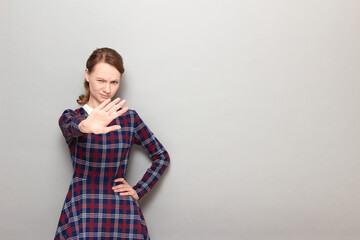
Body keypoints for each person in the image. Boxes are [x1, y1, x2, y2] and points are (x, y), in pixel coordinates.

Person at [54, 47, 170, 240]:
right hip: (83, 208)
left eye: (114, 82)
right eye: (100, 80)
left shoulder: (129, 119)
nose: (107, 89)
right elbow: (70, 126)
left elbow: (162, 156)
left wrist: (139, 190)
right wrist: (86, 126)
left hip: (121, 210)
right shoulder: (72, 117)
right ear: (87, 75)